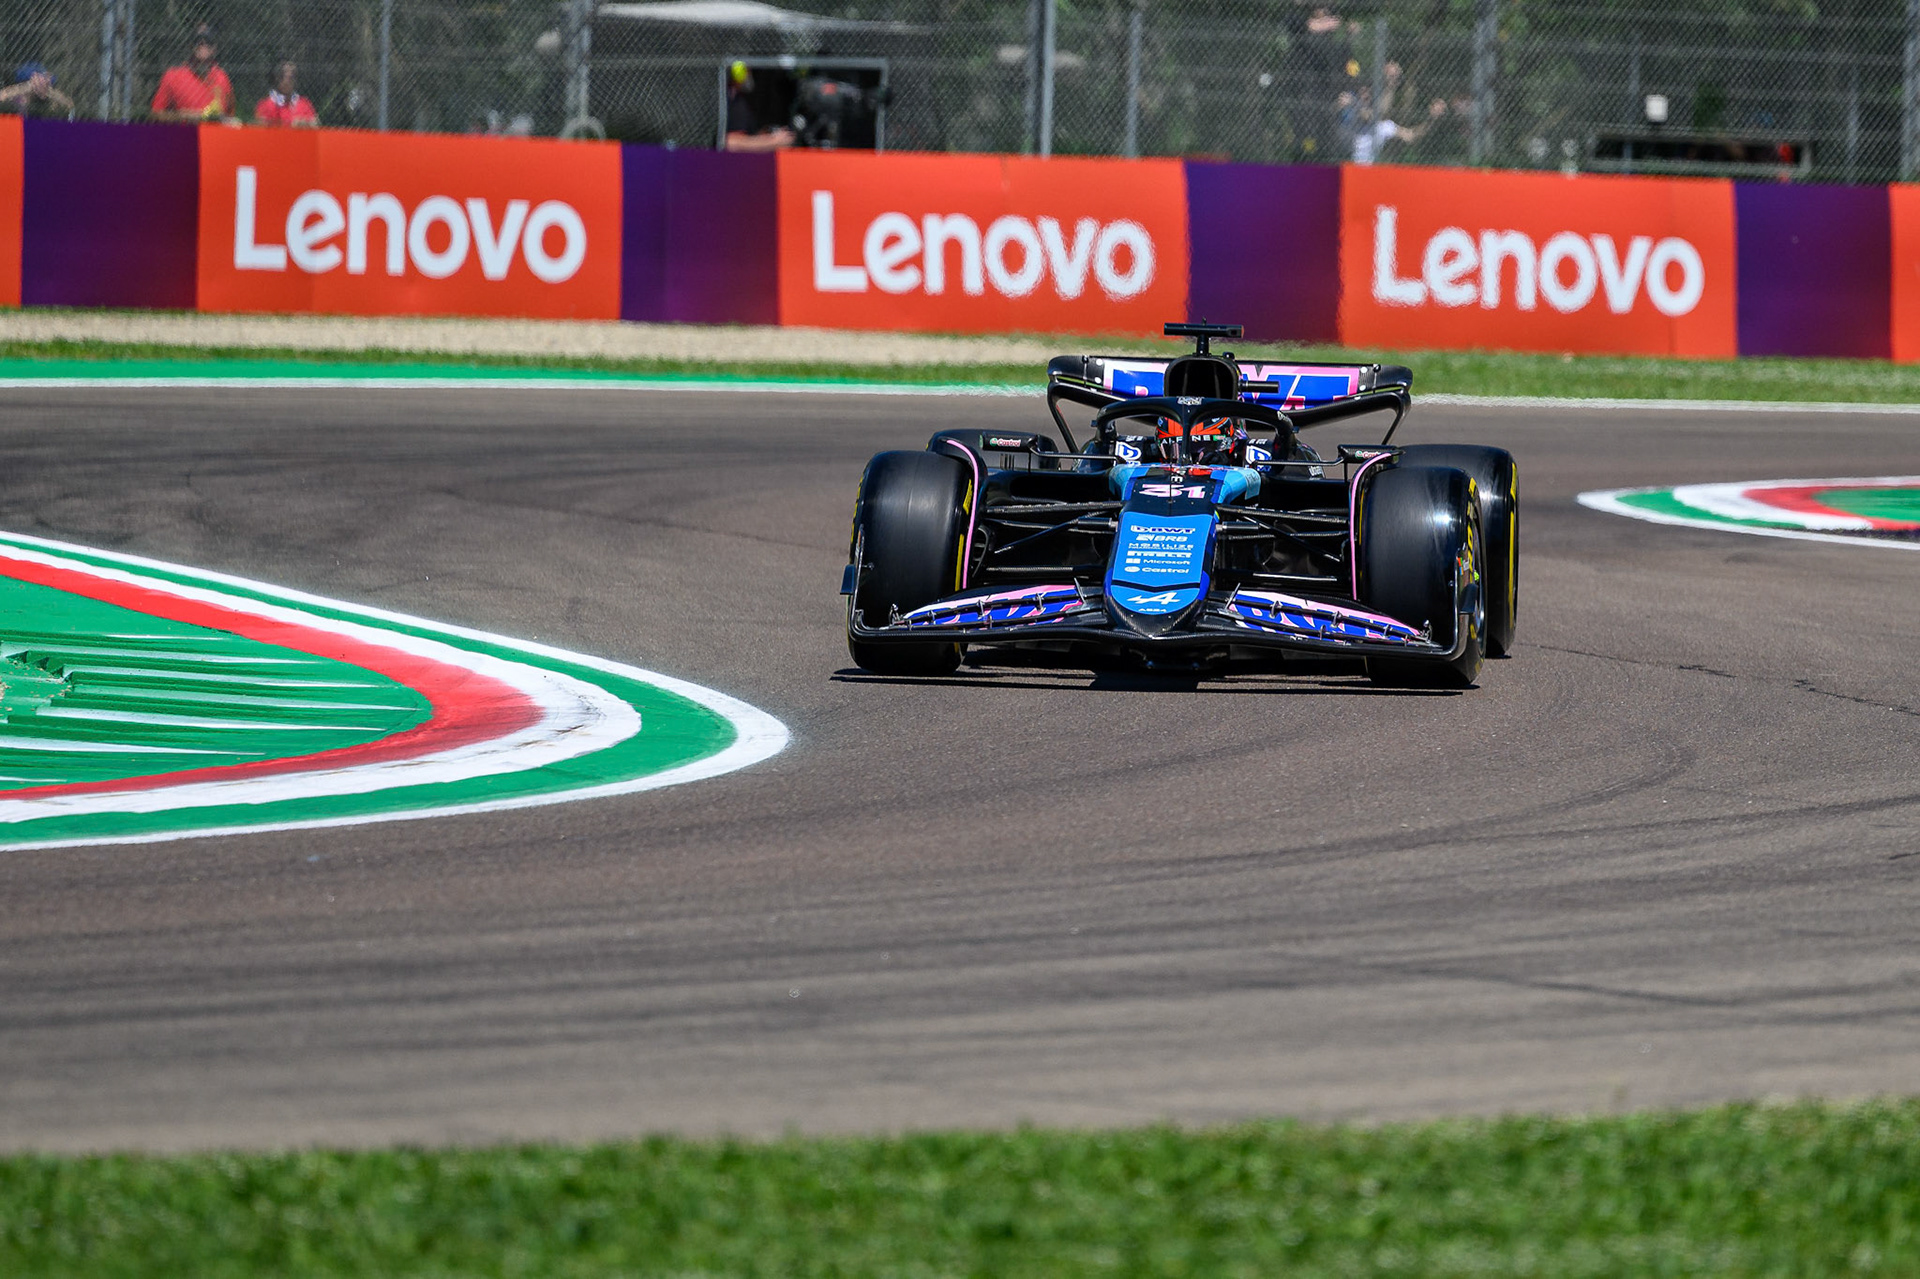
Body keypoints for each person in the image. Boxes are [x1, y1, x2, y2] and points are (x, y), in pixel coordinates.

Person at [151, 25, 235, 123]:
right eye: (198, 41)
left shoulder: (222, 78)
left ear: (214, 48)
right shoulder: (173, 76)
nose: (203, 44)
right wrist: (183, 116)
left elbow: (230, 115)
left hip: (214, 137)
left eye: (208, 41)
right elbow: (155, 115)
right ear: (190, 46)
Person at [723, 61, 793, 153]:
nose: (749, 73)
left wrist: (764, 136)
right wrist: (771, 142)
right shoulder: (729, 101)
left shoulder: (739, 100)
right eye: (746, 69)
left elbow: (747, 136)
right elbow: (729, 142)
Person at [255, 61, 318, 128]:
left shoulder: (304, 103)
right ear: (278, 78)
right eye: (289, 77)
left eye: (293, 77)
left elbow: (315, 125)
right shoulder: (265, 104)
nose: (291, 81)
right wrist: (290, 124)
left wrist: (304, 123)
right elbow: (261, 127)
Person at [0, 62, 75, 118]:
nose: (46, 83)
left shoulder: (49, 94)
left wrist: (47, 92)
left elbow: (70, 105)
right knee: (22, 100)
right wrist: (28, 87)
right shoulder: (17, 94)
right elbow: (4, 95)